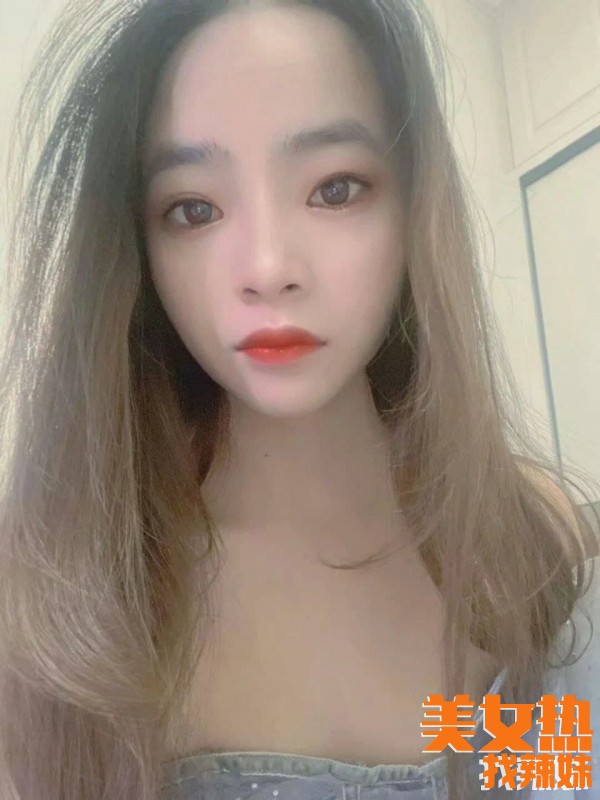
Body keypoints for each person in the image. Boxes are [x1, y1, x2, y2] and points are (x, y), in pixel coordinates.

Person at [0, 0, 598, 798]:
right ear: (138, 247)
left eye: (335, 189)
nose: (268, 267)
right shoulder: (59, 605)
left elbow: (541, 769)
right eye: (194, 209)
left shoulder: (538, 540)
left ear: (413, 208)